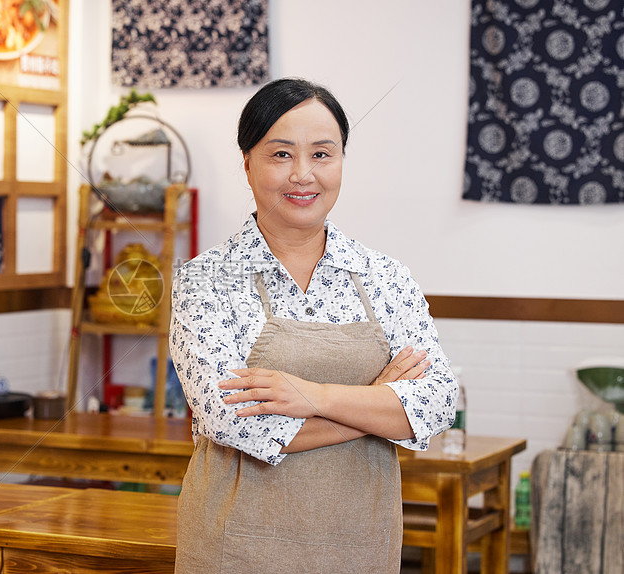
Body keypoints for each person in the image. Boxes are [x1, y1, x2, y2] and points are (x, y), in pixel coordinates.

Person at [169, 77, 458, 573]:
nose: (303, 174)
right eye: (281, 155)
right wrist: (376, 401)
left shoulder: (385, 277)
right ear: (247, 164)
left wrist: (311, 396)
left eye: (322, 154)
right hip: (234, 548)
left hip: (361, 546)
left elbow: (435, 404)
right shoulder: (204, 280)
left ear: (342, 161)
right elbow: (231, 421)